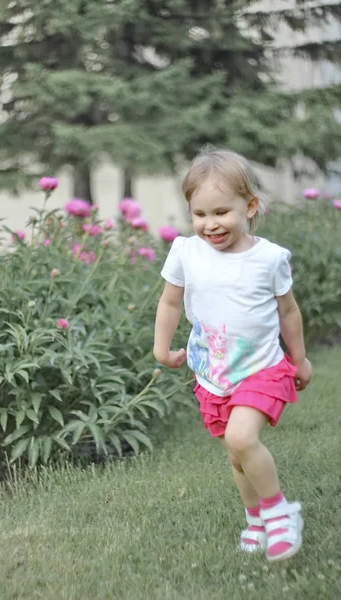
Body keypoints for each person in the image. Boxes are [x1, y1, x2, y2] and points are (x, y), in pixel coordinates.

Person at [153, 147, 312, 562]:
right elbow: (170, 303)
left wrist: (300, 358)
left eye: (222, 212)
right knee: (236, 456)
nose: (210, 224)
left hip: (261, 368)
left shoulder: (269, 259)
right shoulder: (186, 252)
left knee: (244, 438)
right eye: (200, 214)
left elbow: (288, 311)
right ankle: (255, 518)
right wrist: (161, 346)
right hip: (214, 374)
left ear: (251, 206)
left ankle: (279, 512)